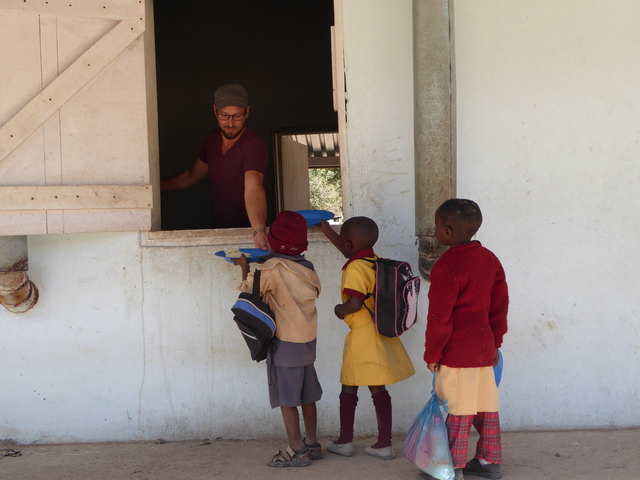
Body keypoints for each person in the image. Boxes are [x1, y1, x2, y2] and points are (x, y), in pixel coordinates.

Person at [423, 199, 509, 480]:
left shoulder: (447, 266)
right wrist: (496, 342)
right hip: (484, 349)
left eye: (436, 226)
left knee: (459, 409)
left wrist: (432, 353)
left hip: (457, 353)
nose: (434, 231)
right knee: (485, 406)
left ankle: (449, 467)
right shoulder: (490, 259)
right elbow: (499, 305)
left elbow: (440, 317)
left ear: (447, 232)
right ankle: (488, 461)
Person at [319, 216, 415, 460]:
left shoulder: (354, 268)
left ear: (350, 244)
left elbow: (353, 303)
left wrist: (338, 310)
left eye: (344, 241)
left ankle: (345, 441)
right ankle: (384, 443)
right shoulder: (373, 261)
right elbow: (347, 249)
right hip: (380, 331)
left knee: (348, 387)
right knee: (378, 389)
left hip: (362, 335)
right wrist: (328, 232)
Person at [234, 211, 322, 467]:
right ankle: (313, 443)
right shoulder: (309, 269)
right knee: (308, 397)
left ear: (274, 242)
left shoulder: (270, 271)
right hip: (308, 343)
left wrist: (245, 269)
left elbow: (248, 292)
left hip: (285, 345)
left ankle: (297, 450)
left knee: (287, 400)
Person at [161, 83, 269, 249]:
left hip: (247, 234)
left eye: (237, 116)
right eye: (224, 115)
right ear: (214, 111)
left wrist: (259, 230)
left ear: (247, 111)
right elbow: (191, 177)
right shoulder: (212, 140)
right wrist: (155, 189)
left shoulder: (253, 144)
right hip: (218, 229)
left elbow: (254, 187)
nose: (230, 123)